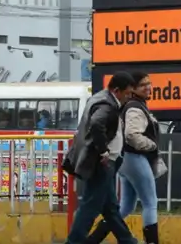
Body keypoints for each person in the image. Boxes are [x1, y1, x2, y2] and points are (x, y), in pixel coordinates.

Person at [85, 71, 162, 244]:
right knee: (150, 202)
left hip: (126, 159)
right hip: (135, 158)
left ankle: (93, 239)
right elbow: (132, 135)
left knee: (126, 205)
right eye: (143, 85)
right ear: (133, 89)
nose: (148, 87)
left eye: (149, 83)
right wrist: (152, 145)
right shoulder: (135, 107)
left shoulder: (133, 105)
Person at [62, 71, 138, 244]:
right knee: (90, 206)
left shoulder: (99, 98)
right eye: (127, 94)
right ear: (117, 90)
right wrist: (103, 151)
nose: (128, 98)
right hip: (101, 163)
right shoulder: (107, 104)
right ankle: (74, 241)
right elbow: (97, 124)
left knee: (110, 208)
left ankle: (127, 240)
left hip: (101, 162)